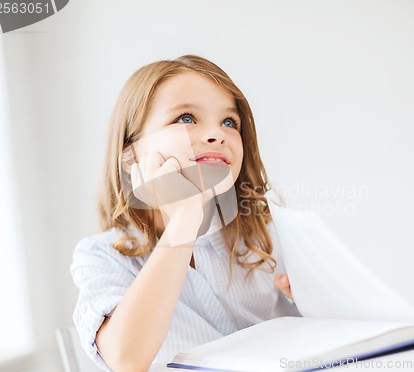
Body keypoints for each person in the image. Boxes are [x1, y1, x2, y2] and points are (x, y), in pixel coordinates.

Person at [70, 55, 299, 371]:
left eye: (229, 122)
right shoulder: (100, 257)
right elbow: (127, 359)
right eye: (186, 118)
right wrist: (185, 220)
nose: (217, 134)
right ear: (130, 154)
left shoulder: (270, 232)